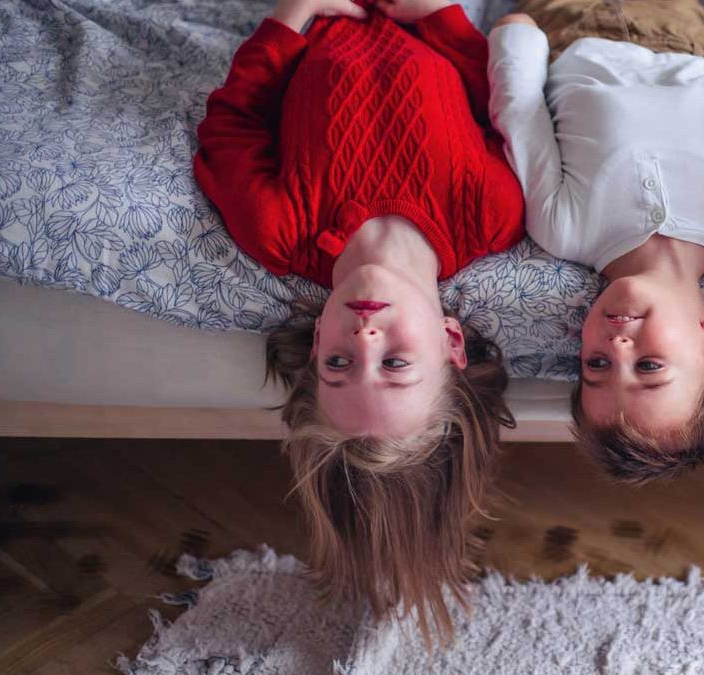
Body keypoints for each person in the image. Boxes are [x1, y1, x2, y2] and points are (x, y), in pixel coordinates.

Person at [193, 0, 524, 643]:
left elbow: (232, 121)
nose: (365, 339)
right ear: (452, 341)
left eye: (339, 365)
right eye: (395, 365)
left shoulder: (279, 229)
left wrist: (296, 11)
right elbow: (496, 100)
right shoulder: (491, 214)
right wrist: (437, 16)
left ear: (316, 342)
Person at [486, 0, 704, 484]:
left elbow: (523, 119)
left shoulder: (566, 231)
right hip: (687, 44)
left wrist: (514, 41)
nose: (617, 346)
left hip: (573, 32)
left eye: (597, 364)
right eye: (649, 365)